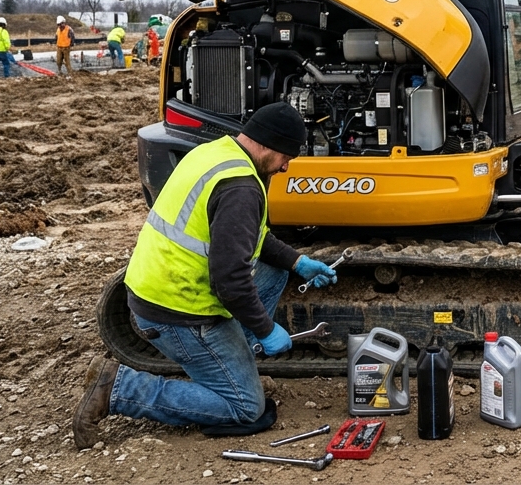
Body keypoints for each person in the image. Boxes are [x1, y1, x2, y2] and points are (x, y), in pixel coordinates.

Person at [73, 103, 339, 448]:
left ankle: (233, 368)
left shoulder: (216, 153)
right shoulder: (241, 189)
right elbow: (230, 281)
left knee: (274, 272)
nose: (286, 166)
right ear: (268, 144)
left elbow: (249, 237)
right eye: (286, 156)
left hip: (161, 287)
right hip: (177, 310)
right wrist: (266, 329)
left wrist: (297, 262)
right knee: (246, 408)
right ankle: (119, 388)